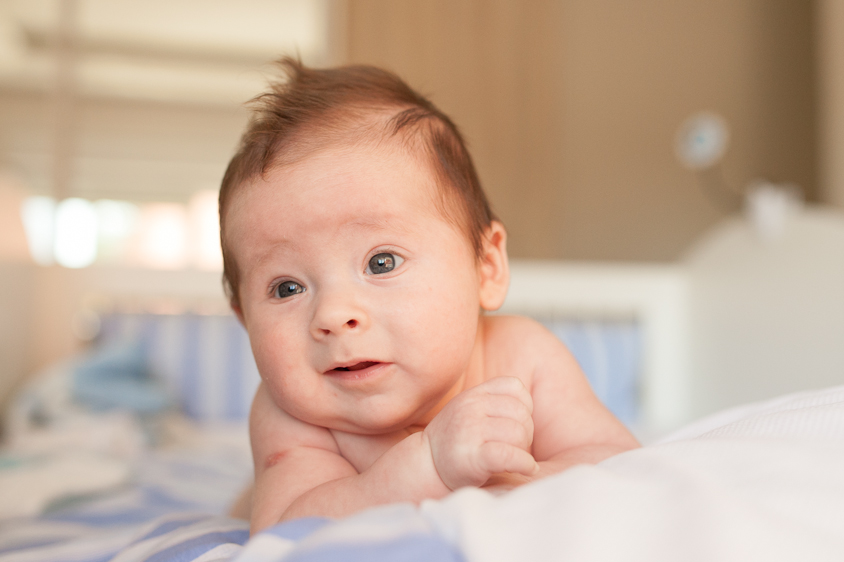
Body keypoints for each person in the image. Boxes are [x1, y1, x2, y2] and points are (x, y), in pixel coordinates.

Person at [219, 58, 640, 535]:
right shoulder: (291, 414)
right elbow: (284, 531)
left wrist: (504, 482)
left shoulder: (523, 356)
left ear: (486, 267)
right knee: (253, 501)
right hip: (281, 493)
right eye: (287, 288)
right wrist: (429, 468)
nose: (334, 316)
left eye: (382, 262)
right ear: (245, 319)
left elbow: (618, 466)